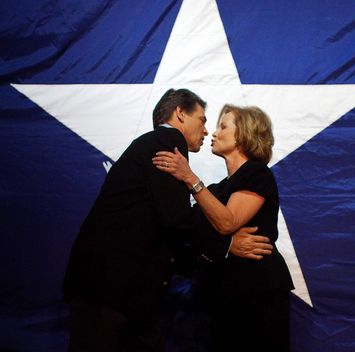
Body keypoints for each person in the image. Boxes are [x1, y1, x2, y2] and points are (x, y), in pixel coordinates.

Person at [63, 89, 273, 352]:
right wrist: (227, 246)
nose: (207, 131)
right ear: (180, 114)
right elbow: (177, 218)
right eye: (204, 120)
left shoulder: (160, 145)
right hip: (109, 290)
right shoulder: (167, 143)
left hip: (124, 291)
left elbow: (170, 224)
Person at [153, 103, 294, 351]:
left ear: (245, 134)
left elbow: (227, 222)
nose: (213, 133)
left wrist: (189, 178)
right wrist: (228, 245)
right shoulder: (217, 190)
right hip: (223, 292)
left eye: (223, 126)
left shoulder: (257, 174)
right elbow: (190, 230)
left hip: (259, 291)